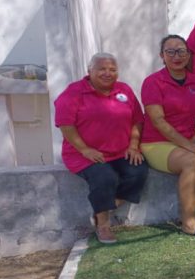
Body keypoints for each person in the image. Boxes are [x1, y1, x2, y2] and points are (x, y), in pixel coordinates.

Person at [54, 53, 148, 244]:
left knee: (138, 172)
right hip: (83, 154)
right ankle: (103, 224)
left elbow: (137, 120)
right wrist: (85, 149)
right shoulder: (73, 93)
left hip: (120, 151)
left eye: (112, 69)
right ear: (90, 71)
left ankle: (104, 208)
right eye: (102, 69)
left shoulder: (124, 90)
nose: (107, 73)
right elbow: (66, 125)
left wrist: (133, 145)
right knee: (105, 178)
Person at [140, 35, 195, 236]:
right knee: (192, 161)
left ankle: (187, 213)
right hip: (157, 142)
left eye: (182, 51)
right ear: (162, 56)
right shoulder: (153, 82)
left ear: (188, 54)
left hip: (189, 140)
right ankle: (189, 221)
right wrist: (189, 146)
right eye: (170, 51)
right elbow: (158, 121)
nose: (177, 56)